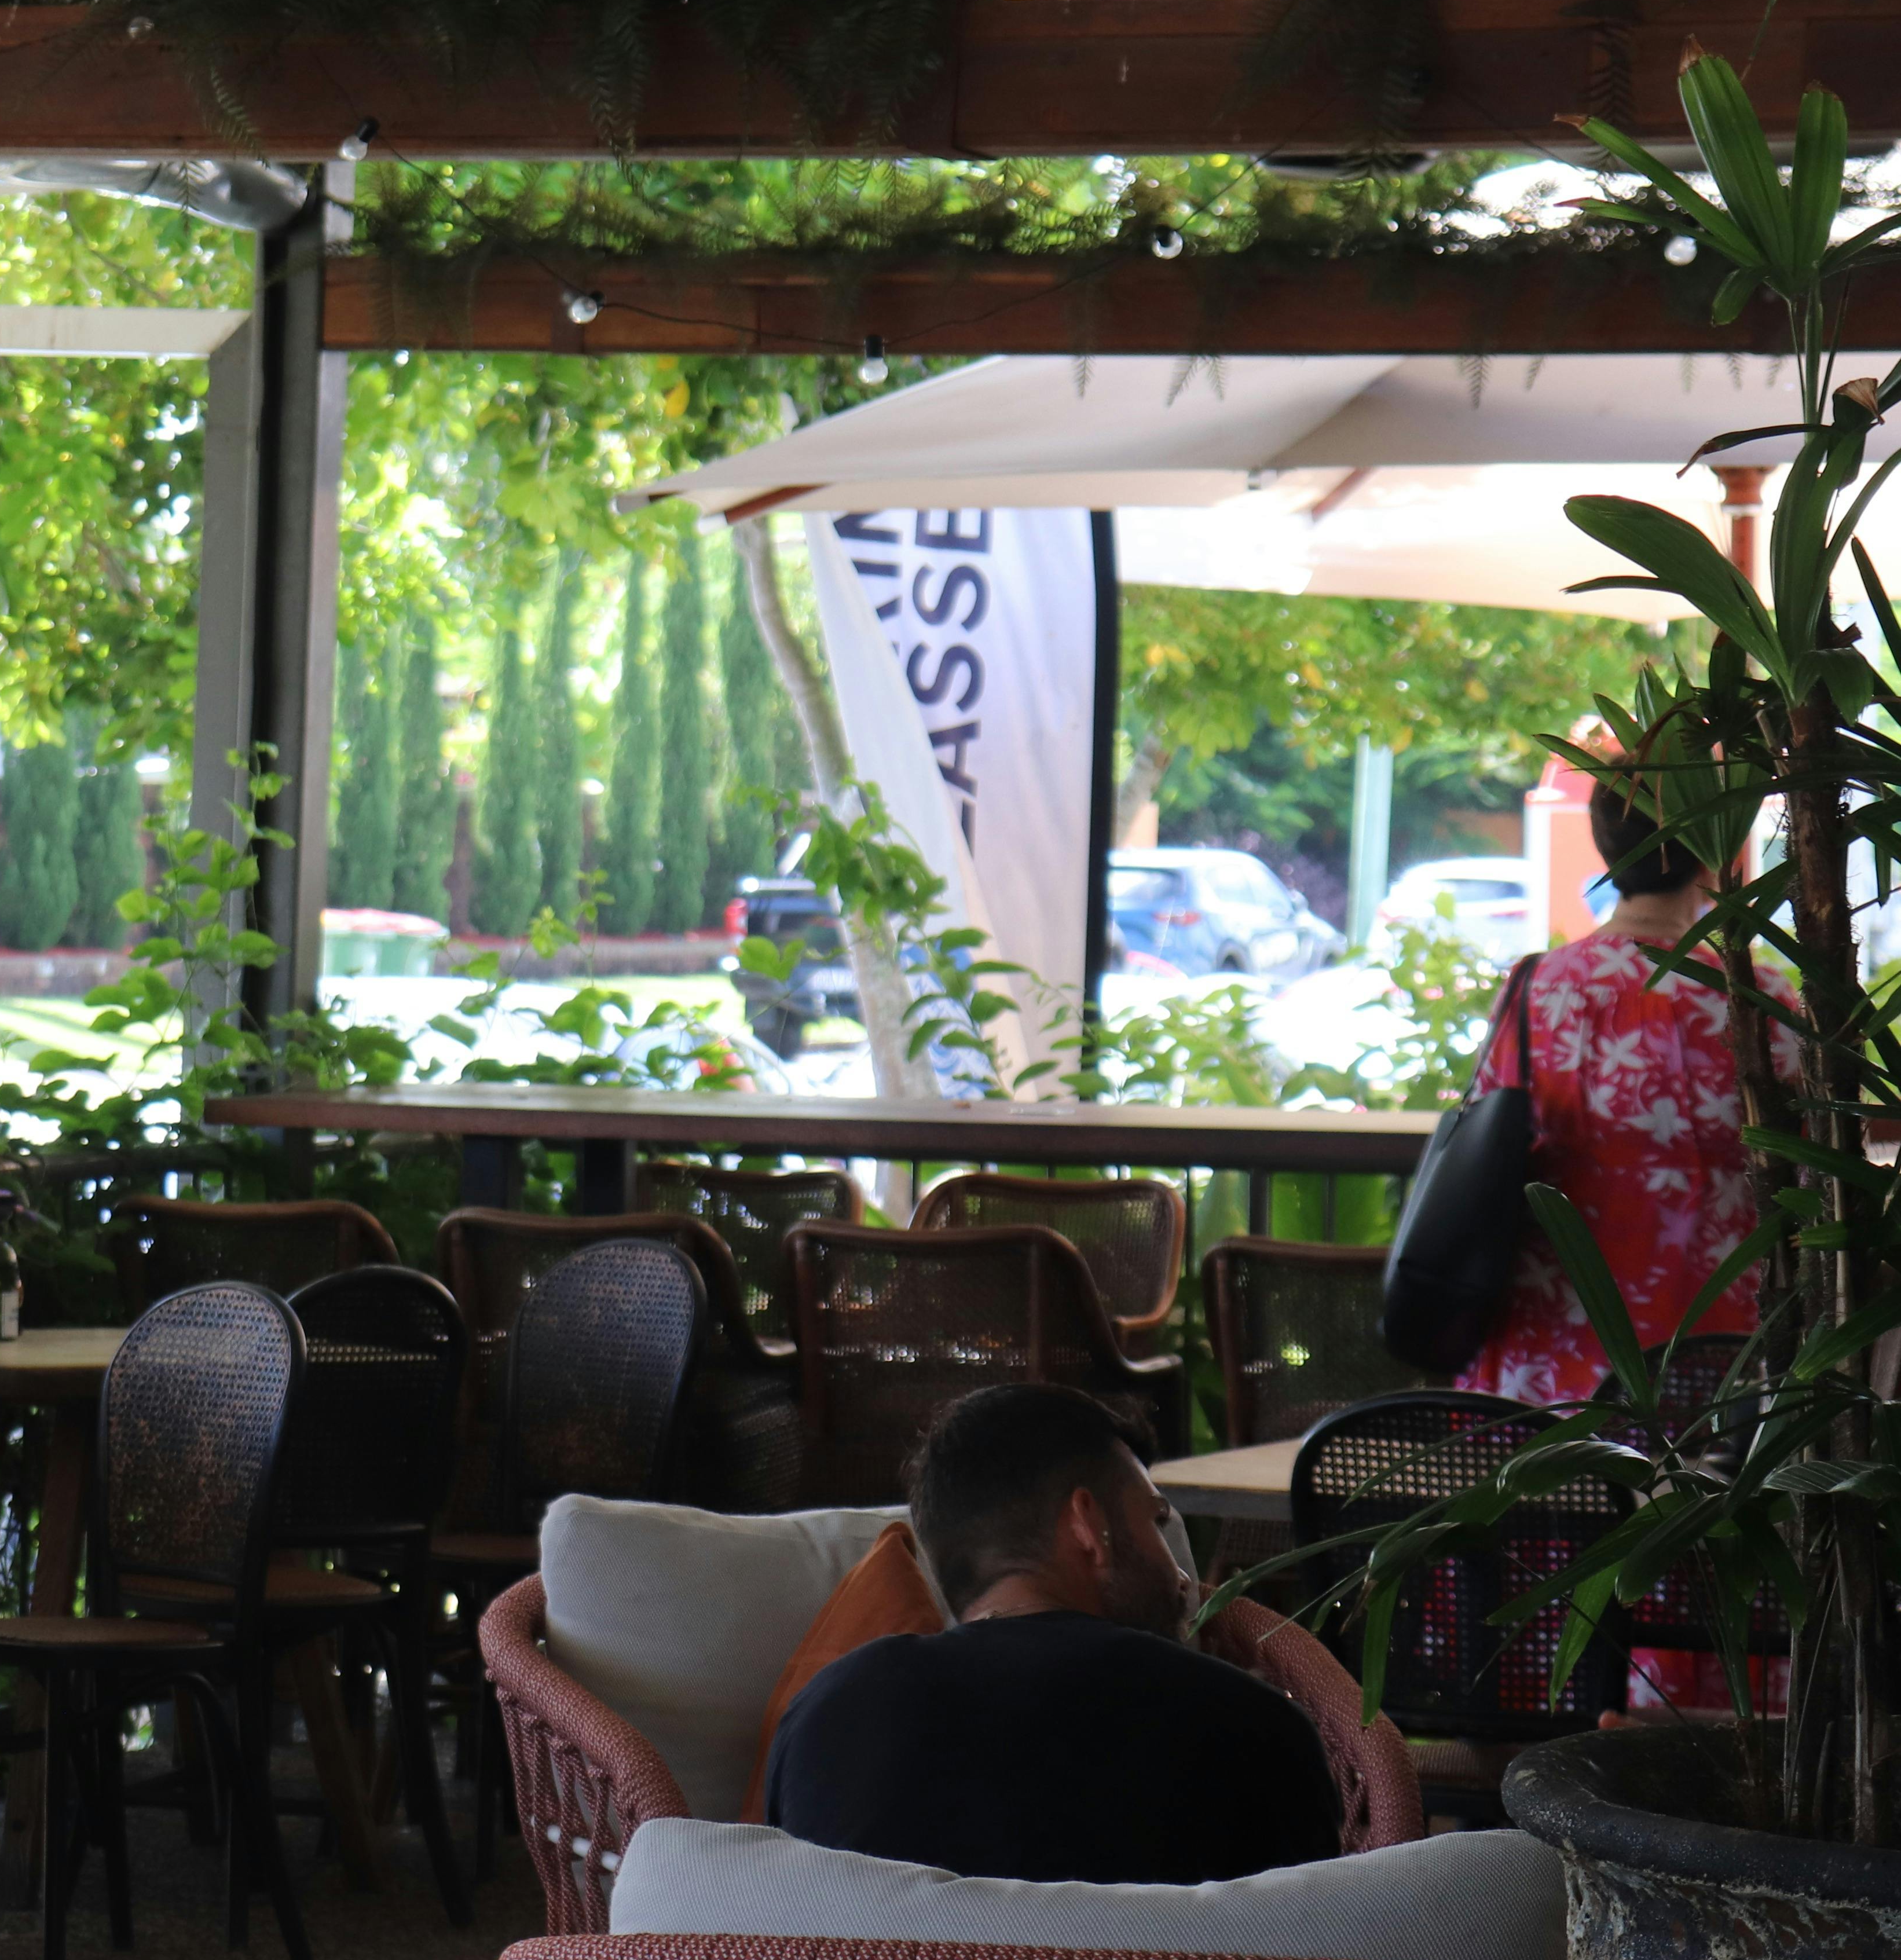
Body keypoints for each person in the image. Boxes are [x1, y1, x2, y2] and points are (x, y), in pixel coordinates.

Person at [761, 1383, 1342, 1885]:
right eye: (1156, 1520)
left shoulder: (822, 1716)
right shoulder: (1249, 1726)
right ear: (1088, 1526)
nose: (1183, 1576)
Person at [1462, 766, 1793, 1406]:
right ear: (1716, 845)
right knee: (1709, 1503)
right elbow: (1807, 1156)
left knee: (1559, 1498)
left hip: (1553, 1350)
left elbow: (1491, 1131)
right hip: (1719, 1355)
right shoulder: (1760, 999)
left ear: (1608, 845)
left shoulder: (1538, 989)